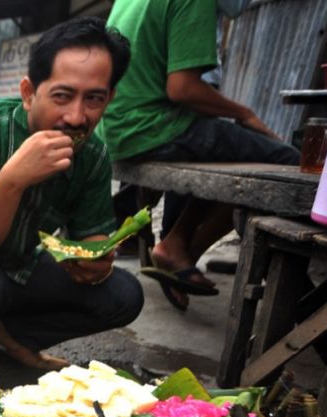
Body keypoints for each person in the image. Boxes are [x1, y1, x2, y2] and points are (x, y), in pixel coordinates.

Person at [0, 16, 143, 371]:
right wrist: (13, 179)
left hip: (22, 267)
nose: (77, 117)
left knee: (124, 295)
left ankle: (9, 337)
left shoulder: (92, 155)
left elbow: (90, 234)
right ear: (29, 93)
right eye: (62, 96)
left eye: (94, 99)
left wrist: (95, 260)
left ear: (109, 98)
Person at [101, 0, 300, 311]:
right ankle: (185, 250)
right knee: (286, 161)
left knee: (225, 146)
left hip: (116, 129)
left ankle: (176, 247)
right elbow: (182, 89)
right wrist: (244, 113)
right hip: (150, 128)